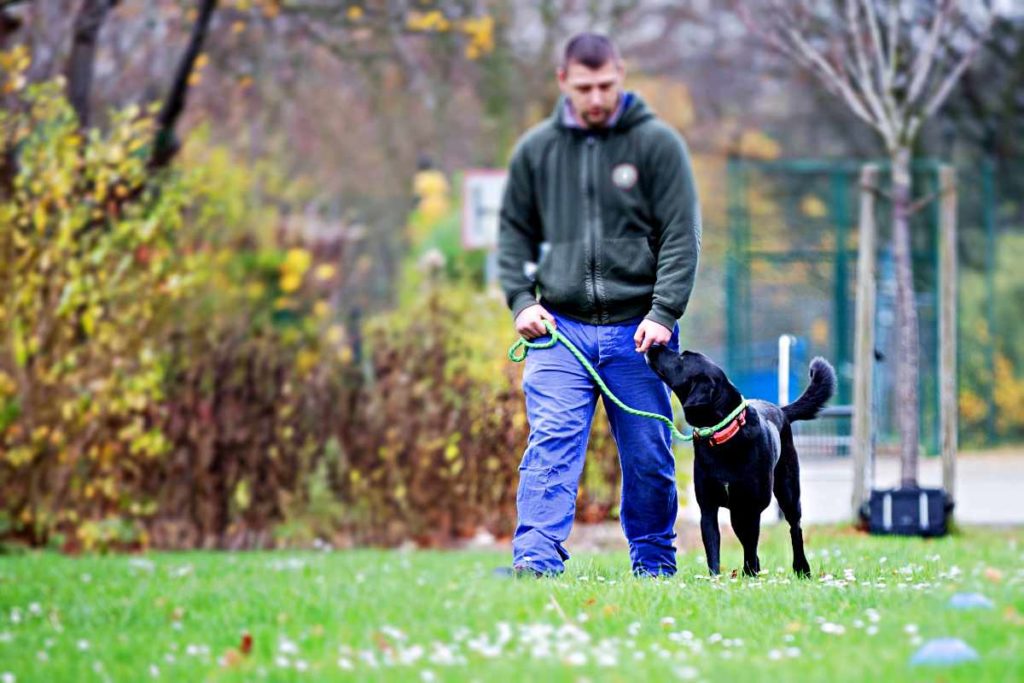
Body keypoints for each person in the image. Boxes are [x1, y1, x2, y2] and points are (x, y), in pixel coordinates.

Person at [496, 32, 702, 578]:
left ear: (621, 76)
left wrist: (664, 312)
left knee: (649, 458)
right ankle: (535, 563)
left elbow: (682, 235)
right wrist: (520, 302)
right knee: (552, 445)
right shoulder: (538, 152)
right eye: (584, 86)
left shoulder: (657, 146)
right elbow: (513, 236)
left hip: (641, 332)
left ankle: (655, 563)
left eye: (606, 85)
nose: (595, 97)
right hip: (558, 331)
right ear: (563, 81)